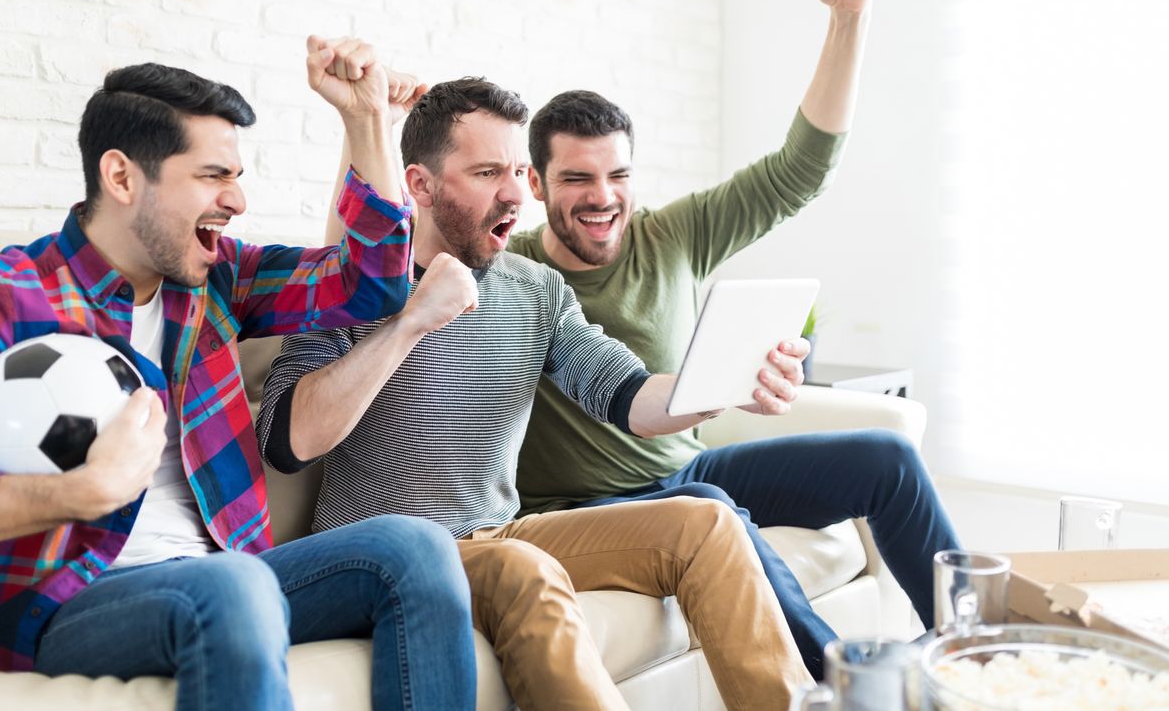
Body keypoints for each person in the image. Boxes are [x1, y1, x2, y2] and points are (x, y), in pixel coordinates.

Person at [0, 37, 478, 711]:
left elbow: (371, 285)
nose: (238, 199)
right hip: (67, 605)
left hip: (234, 576)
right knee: (234, 585)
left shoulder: (215, 278)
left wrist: (367, 120)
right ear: (121, 177)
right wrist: (75, 494)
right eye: (213, 175)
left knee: (418, 549)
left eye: (237, 175)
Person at [260, 76, 813, 711]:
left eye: (520, 170)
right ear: (421, 185)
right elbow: (286, 444)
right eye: (489, 171)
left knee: (708, 523)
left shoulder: (536, 288)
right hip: (394, 552)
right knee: (524, 567)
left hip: (502, 531)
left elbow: (629, 397)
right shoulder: (346, 287)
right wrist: (412, 320)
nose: (516, 193)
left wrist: (726, 383)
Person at [508, 0, 962, 679]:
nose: (603, 197)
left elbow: (800, 170)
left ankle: (978, 654)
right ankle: (841, 683)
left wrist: (850, 19)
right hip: (584, 508)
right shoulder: (513, 273)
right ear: (534, 181)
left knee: (889, 458)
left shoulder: (672, 233)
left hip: (688, 466)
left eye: (619, 173)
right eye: (577, 178)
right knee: (713, 506)